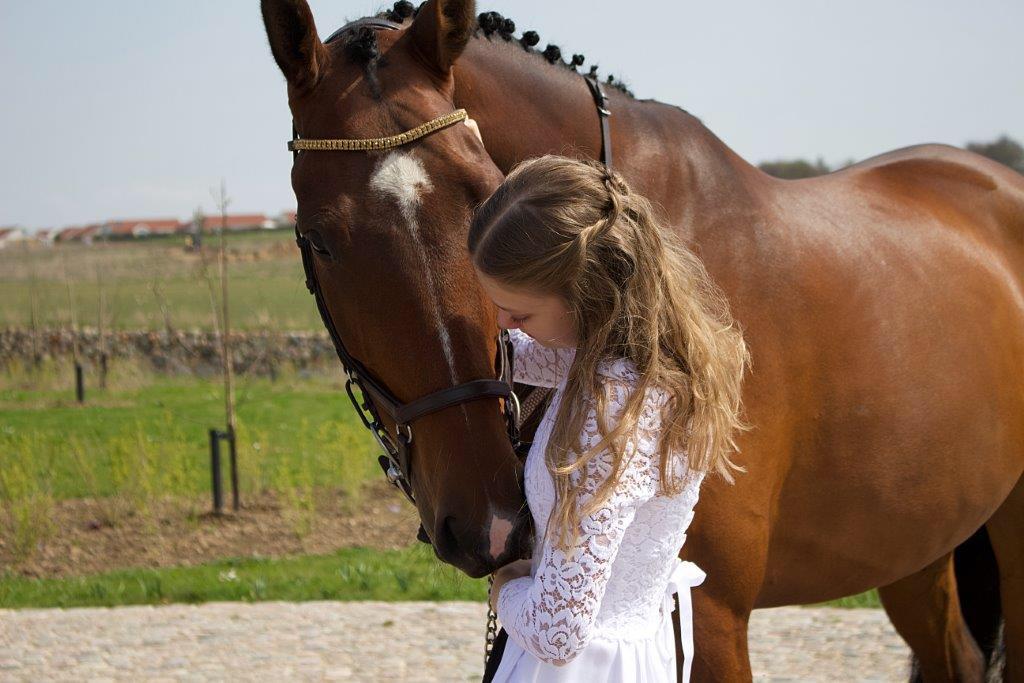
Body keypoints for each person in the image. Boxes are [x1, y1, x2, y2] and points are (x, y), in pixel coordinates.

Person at [467, 152, 754, 682]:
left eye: (520, 313)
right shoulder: (646, 365)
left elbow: (559, 631)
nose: (507, 324)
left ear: (587, 294)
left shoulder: (607, 419)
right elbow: (516, 355)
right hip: (635, 655)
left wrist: (505, 584)